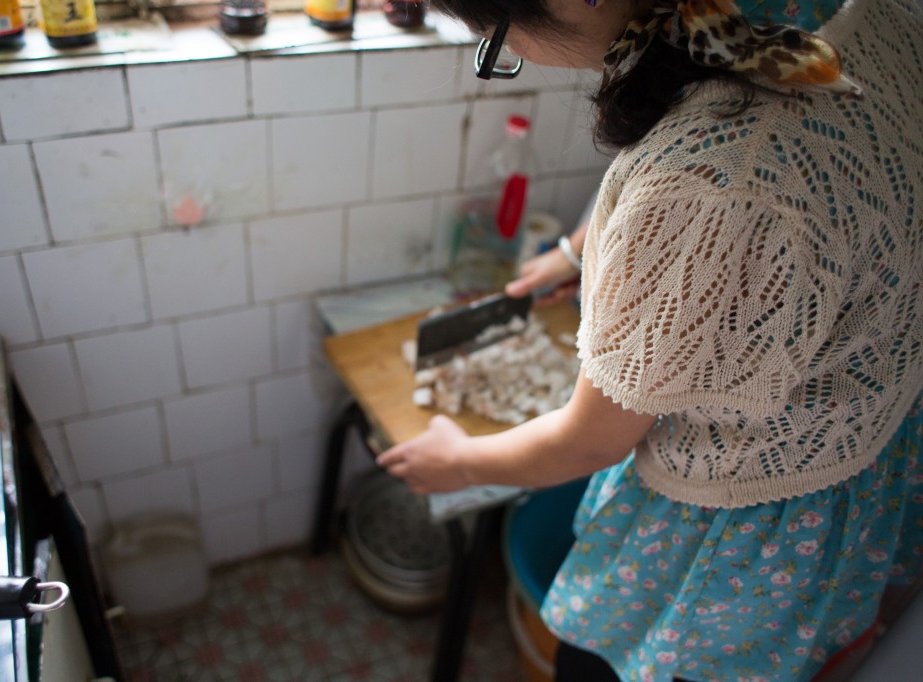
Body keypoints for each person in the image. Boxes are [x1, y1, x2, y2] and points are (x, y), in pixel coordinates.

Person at [376, 0, 923, 680]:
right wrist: (581, 254)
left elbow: (592, 440)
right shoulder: (873, 13)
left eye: (495, 37)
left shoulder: (714, 179)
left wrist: (459, 463)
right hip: (860, 474)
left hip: (734, 550)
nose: (502, 48)